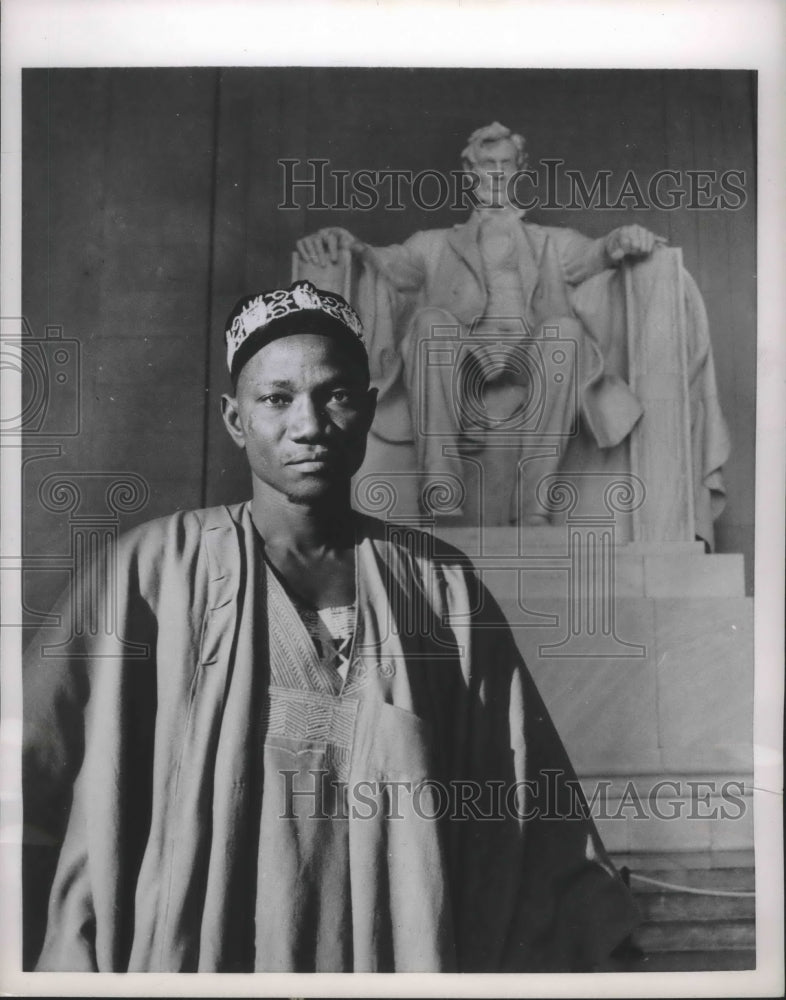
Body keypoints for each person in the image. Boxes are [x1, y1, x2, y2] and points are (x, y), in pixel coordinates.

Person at [24, 280, 638, 973]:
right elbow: (25, 762)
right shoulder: (149, 575)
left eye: (336, 394)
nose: (309, 424)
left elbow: (530, 802)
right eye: (277, 398)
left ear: (370, 410)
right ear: (234, 419)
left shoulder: (439, 589)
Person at [296, 122, 728, 533]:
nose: (497, 173)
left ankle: (534, 505)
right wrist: (354, 246)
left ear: (519, 171)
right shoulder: (432, 244)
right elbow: (393, 266)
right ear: (469, 173)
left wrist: (623, 239)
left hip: (529, 353)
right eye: (488, 165)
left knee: (565, 331)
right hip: (461, 356)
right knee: (430, 323)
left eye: (506, 164)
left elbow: (597, 252)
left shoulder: (551, 242)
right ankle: (440, 490)